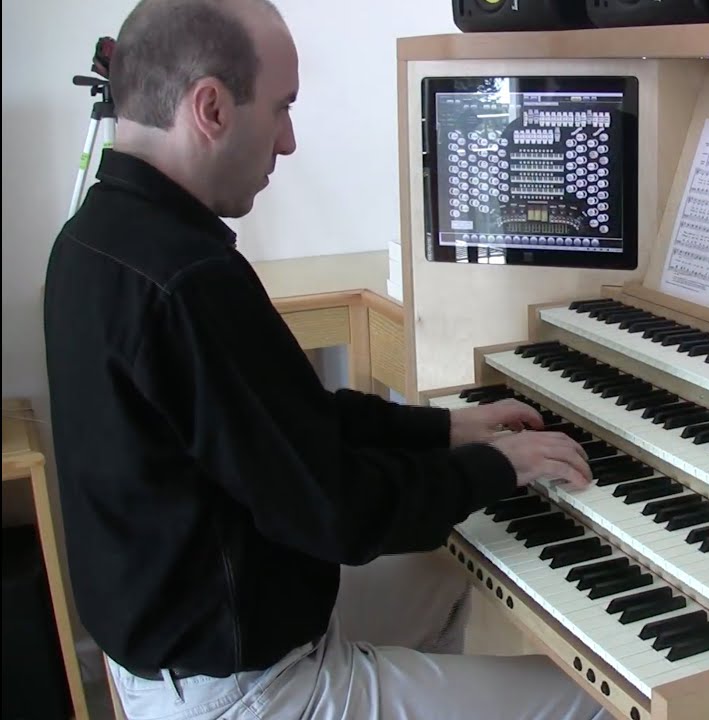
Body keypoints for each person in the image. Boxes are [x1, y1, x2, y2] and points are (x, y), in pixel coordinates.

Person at [41, 0, 606, 717]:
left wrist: (448, 429)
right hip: (244, 689)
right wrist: (501, 466)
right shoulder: (189, 279)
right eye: (281, 108)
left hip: (201, 632)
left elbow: (287, 423)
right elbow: (338, 510)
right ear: (210, 108)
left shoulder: (93, 236)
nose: (288, 141)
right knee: (596, 701)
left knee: (452, 562)